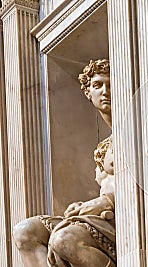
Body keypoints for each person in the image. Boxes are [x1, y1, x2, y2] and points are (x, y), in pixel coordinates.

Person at [13, 59, 116, 267]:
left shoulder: (136, 133)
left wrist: (105, 202)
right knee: (26, 231)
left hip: (123, 218)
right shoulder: (103, 146)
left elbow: (147, 185)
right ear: (88, 92)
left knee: (65, 240)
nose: (105, 91)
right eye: (97, 85)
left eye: (110, 84)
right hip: (100, 218)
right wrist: (84, 206)